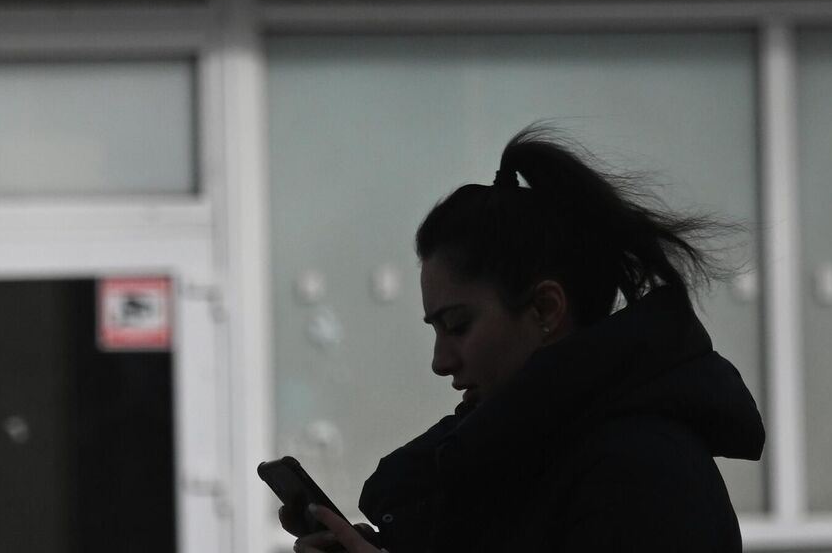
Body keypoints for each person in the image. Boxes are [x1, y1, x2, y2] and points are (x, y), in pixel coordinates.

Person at [281, 125, 765, 553]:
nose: (440, 361)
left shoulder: (644, 472)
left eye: (458, 325)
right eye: (435, 329)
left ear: (546, 309)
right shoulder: (527, 460)